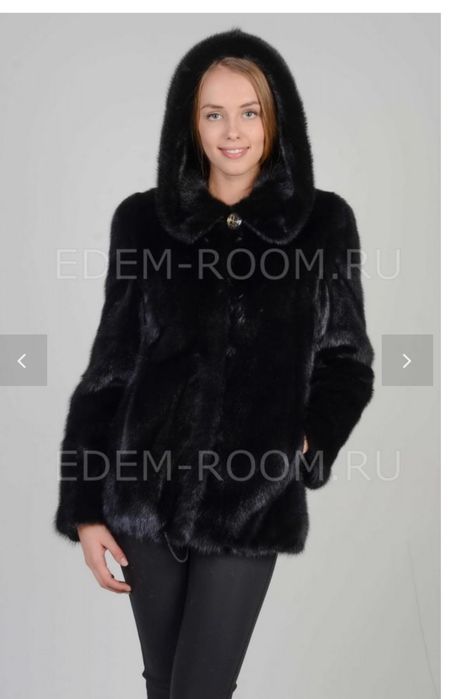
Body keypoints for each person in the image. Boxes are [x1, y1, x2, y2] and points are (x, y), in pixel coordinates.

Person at [53, 27, 375, 699]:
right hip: (143, 496)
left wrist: (300, 444)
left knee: (200, 688)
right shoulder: (141, 222)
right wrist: (85, 509)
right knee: (164, 684)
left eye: (249, 112)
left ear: (275, 119)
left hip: (247, 501)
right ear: (189, 123)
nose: (233, 132)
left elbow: (347, 361)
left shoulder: (323, 224)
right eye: (213, 113)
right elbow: (110, 371)